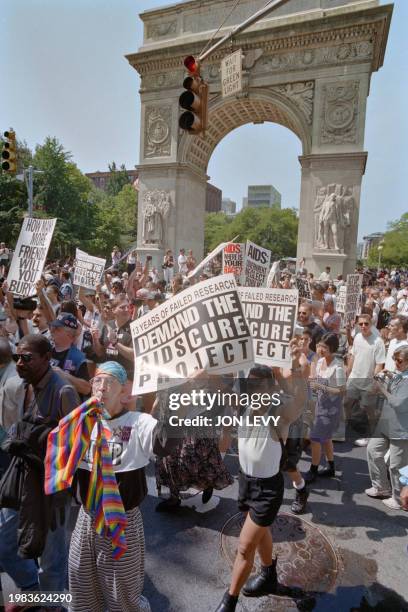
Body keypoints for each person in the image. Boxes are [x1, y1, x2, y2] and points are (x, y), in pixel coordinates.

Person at [65, 362, 187, 612]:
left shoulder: (138, 422)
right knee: (81, 585)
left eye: (108, 381)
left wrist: (176, 396)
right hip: (86, 518)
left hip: (122, 521)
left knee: (121, 594)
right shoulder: (82, 420)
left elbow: (165, 442)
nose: (100, 387)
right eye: (96, 381)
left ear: (125, 392)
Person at [215, 364, 306, 612]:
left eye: (259, 385)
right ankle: (268, 576)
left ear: (271, 387)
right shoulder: (242, 404)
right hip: (245, 482)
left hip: (267, 490)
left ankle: (229, 601)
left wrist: (298, 374)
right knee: (261, 532)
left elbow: (299, 401)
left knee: (245, 547)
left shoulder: (280, 411)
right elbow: (218, 387)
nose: (254, 389)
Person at [0, 334, 79, 594]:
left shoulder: (64, 392)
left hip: (50, 487)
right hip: (21, 478)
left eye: (27, 358)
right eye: (16, 357)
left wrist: (61, 492)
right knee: (4, 541)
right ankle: (31, 587)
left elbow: (76, 447)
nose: (20, 363)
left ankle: (50, 603)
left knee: (51, 556)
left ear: (47, 359)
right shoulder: (20, 385)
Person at [365, 346, 408, 509]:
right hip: (387, 423)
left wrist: (381, 387)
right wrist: (388, 378)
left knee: (397, 465)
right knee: (372, 450)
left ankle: (398, 500)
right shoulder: (401, 375)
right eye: (395, 359)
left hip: (401, 428)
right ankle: (381, 487)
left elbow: (398, 403)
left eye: (400, 360)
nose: (396, 363)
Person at [305, 333, 346, 483]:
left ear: (333, 349)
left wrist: (322, 386)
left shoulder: (338, 367)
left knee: (315, 439)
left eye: (325, 347)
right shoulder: (320, 361)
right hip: (320, 406)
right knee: (326, 439)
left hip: (330, 410)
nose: (321, 349)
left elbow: (342, 391)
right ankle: (331, 467)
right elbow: (316, 383)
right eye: (319, 345)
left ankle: (313, 470)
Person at [345, 313, 386, 447]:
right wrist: (348, 372)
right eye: (360, 324)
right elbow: (353, 356)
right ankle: (344, 427)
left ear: (371, 324)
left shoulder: (378, 342)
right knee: (346, 403)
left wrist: (375, 382)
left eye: (366, 324)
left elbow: (379, 364)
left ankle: (370, 435)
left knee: (369, 411)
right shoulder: (357, 337)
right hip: (354, 378)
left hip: (368, 382)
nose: (363, 326)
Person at [50, 313, 91, 397]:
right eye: (52, 327)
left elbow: (87, 389)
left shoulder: (79, 358)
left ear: (69, 334)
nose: (52, 331)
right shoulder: (45, 351)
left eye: (57, 329)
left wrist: (62, 375)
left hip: (66, 406)